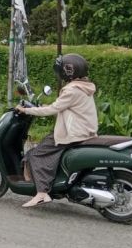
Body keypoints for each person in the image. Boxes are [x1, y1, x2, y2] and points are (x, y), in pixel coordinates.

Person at [15, 53, 98, 208]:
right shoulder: (84, 87)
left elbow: (53, 109)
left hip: (72, 134)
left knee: (35, 154)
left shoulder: (72, 90)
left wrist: (26, 111)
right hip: (85, 131)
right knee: (47, 145)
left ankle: (41, 193)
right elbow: (60, 106)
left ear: (68, 71)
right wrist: (42, 107)